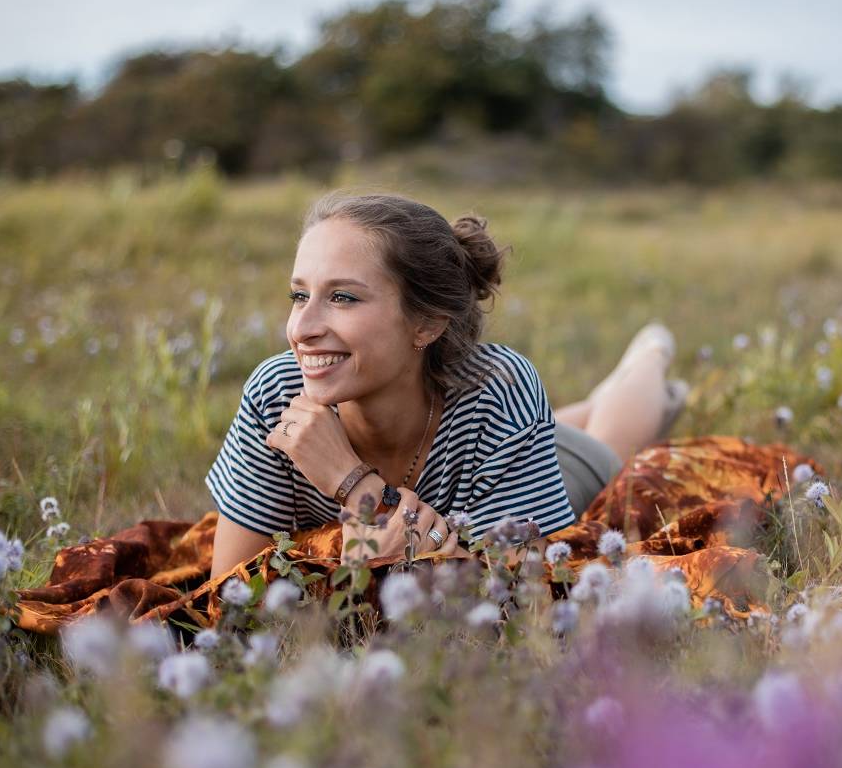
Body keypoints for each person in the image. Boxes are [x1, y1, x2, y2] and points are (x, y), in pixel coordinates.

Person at [206, 192, 689, 582]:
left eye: (343, 297)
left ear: (427, 323)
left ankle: (650, 355)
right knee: (558, 424)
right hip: (488, 453)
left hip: (554, 464)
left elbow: (517, 592)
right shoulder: (277, 394)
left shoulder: (500, 385)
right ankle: (574, 410)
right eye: (299, 295)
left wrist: (350, 481)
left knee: (609, 444)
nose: (302, 328)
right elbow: (228, 594)